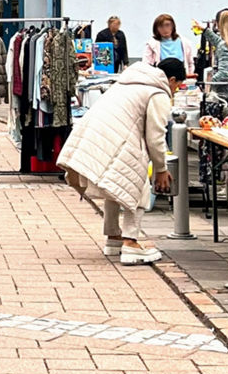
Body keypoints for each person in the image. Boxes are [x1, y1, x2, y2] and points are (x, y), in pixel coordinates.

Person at [59, 58, 186, 266]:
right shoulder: (157, 92)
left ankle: (113, 237)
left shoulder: (129, 81)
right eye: (178, 86)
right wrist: (161, 169)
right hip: (122, 138)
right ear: (171, 79)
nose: (176, 91)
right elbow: (155, 136)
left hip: (98, 134)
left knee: (115, 184)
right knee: (136, 186)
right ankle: (131, 242)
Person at [142, 14, 196, 78]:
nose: (165, 29)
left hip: (181, 79)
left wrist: (189, 77)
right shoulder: (151, 44)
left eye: (167, 25)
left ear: (173, 26)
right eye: (161, 26)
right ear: (156, 29)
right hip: (160, 78)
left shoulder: (185, 42)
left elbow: (190, 63)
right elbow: (146, 65)